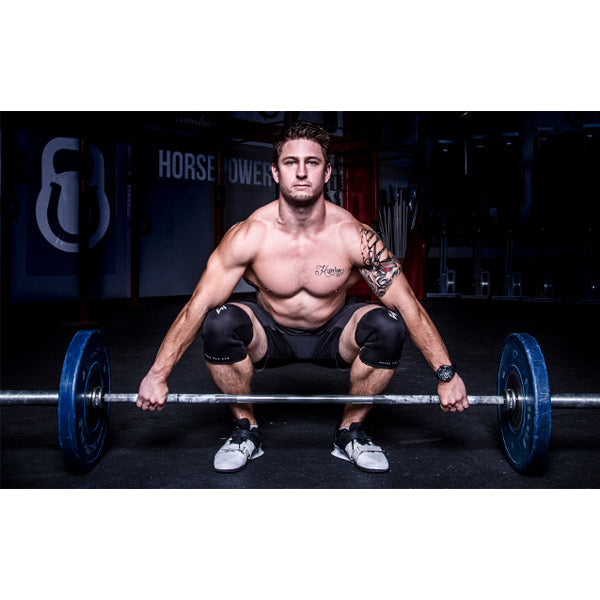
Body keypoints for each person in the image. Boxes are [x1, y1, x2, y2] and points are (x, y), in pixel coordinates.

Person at [136, 121, 468, 474]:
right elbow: (198, 306)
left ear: (327, 172)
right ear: (275, 172)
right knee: (219, 321)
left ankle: (351, 432)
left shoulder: (354, 237)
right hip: (270, 334)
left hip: (334, 334)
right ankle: (245, 430)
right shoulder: (249, 235)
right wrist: (157, 374)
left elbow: (407, 304)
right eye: (290, 162)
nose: (301, 172)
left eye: (312, 162)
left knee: (388, 325)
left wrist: (446, 375)